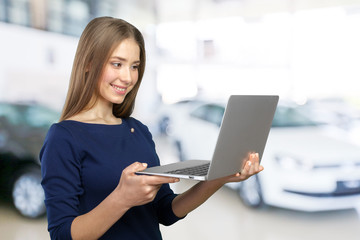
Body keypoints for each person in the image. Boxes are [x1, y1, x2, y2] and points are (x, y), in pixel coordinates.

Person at [40, 16, 264, 240]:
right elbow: (61, 235)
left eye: (134, 66)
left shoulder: (138, 131)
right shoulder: (63, 138)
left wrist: (219, 178)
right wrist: (121, 198)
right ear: (89, 63)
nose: (128, 77)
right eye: (117, 64)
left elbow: (165, 211)